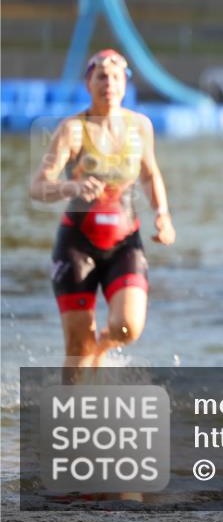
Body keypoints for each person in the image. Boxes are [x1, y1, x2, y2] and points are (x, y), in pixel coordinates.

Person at [29, 49, 175, 378]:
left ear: (125, 85)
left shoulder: (140, 126)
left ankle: (102, 350)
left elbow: (150, 174)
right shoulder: (73, 130)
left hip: (124, 241)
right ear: (88, 83)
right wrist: (71, 189)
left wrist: (162, 215)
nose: (108, 83)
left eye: (115, 77)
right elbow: (38, 187)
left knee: (127, 328)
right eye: (101, 77)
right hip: (77, 243)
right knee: (77, 347)